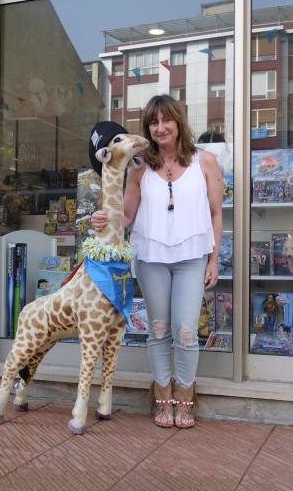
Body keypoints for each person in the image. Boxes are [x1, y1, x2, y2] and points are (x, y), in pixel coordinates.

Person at [91, 94, 223, 428]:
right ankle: (162, 397)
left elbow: (216, 213)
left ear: (179, 122)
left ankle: (186, 397)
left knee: (186, 331)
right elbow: (128, 214)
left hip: (192, 257)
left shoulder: (204, 161)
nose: (160, 128)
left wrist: (214, 259)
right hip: (151, 257)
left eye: (166, 120)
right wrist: (104, 218)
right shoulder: (139, 167)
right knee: (159, 329)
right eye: (153, 122)